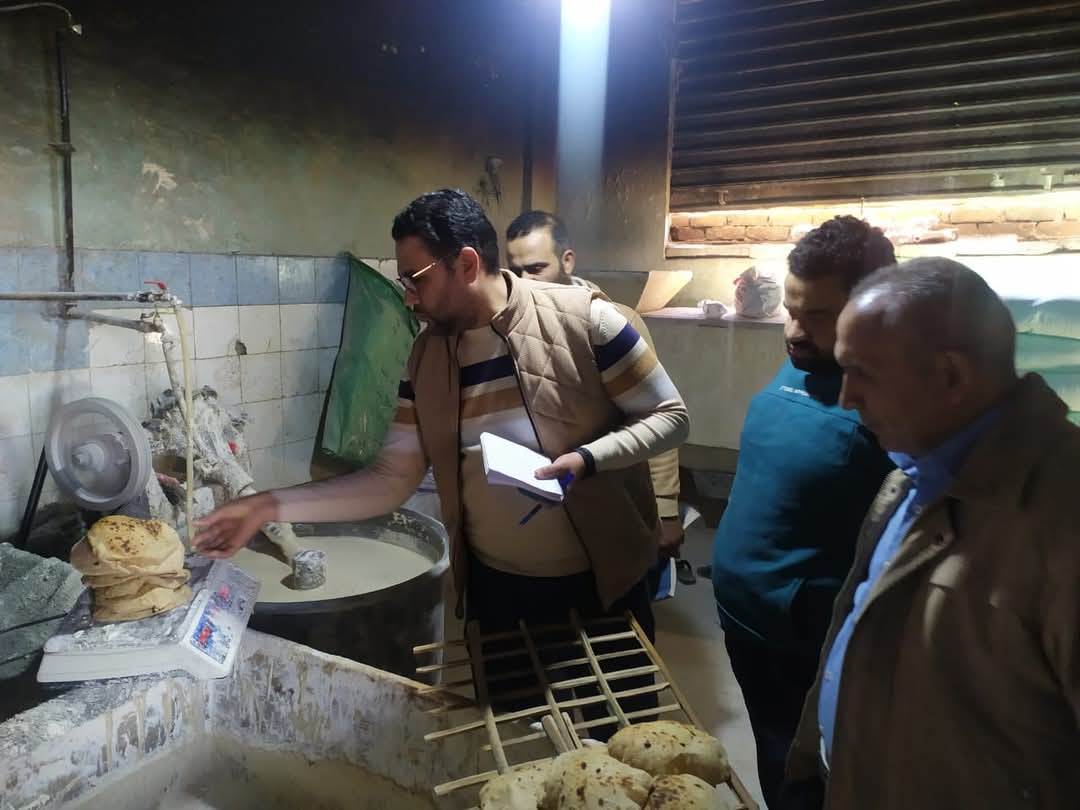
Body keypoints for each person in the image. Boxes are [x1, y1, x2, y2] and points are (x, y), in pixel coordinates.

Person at [195, 189, 689, 733]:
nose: (408, 297)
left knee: (625, 743)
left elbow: (670, 415)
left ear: (467, 264)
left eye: (417, 279)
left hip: (603, 585)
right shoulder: (427, 357)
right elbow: (390, 480)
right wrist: (267, 506)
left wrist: (590, 458)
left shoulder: (585, 321)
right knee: (514, 739)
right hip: (499, 593)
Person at [786, 257, 1080, 809]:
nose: (846, 398)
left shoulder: (1061, 518)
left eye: (862, 373)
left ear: (951, 377)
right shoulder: (911, 472)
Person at [710, 216, 896, 808]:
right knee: (773, 755)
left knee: (809, 776)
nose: (793, 331)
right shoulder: (808, 357)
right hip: (745, 616)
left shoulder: (892, 393)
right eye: (791, 309)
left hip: (802, 639)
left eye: (816, 315)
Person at [505, 209, 689, 585]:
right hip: (543, 501)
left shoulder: (612, 322)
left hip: (610, 492)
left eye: (536, 268)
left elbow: (656, 416)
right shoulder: (512, 326)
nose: (524, 281)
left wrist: (666, 510)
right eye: (516, 270)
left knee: (620, 589)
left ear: (567, 260)